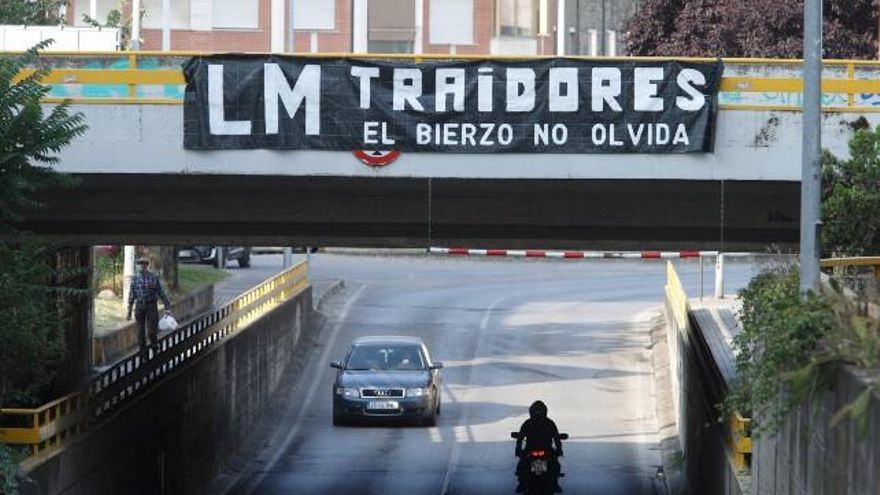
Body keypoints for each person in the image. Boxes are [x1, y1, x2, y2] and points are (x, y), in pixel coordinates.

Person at [126, 256, 172, 355]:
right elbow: (131, 295)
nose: (141, 267)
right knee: (140, 333)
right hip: (140, 306)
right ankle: (143, 354)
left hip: (151, 306)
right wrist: (129, 311)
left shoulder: (153, 278)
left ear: (147, 266)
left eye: (143, 264)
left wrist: (167, 306)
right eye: (139, 264)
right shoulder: (135, 279)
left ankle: (155, 349)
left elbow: (161, 292)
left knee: (152, 331)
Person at [515, 400, 563, 493]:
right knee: (555, 465)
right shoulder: (549, 423)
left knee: (522, 466)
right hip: (545, 451)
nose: (538, 413)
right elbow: (557, 438)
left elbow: (520, 438)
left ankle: (522, 484)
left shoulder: (528, 423)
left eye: (538, 411)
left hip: (532, 450)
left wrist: (518, 450)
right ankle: (554, 484)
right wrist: (559, 450)